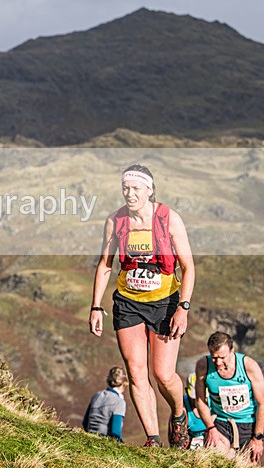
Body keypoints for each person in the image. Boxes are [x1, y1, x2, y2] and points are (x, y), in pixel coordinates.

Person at [89, 164, 195, 448]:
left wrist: (183, 308)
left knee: (163, 374)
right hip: (128, 303)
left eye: (136, 188)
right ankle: (153, 439)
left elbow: (188, 267)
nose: (130, 193)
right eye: (125, 188)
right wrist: (96, 307)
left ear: (150, 190)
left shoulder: (169, 219)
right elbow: (105, 265)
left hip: (165, 303)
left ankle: (179, 413)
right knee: (136, 373)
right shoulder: (115, 221)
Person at [195, 331, 264, 463]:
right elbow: (200, 401)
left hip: (247, 424)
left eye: (222, 357)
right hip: (220, 423)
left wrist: (258, 438)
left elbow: (262, 403)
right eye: (214, 357)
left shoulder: (249, 366)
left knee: (247, 464)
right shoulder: (203, 366)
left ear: (232, 351)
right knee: (216, 459)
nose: (218, 362)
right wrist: (211, 428)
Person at [83, 366, 128, 441]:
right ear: (124, 383)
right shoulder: (119, 402)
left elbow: (85, 422)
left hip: (89, 437)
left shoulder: (97, 395)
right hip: (104, 440)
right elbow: (116, 432)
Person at [184, 372, 207, 448]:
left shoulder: (214, 401)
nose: (198, 400)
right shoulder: (183, 405)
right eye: (195, 397)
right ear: (187, 391)